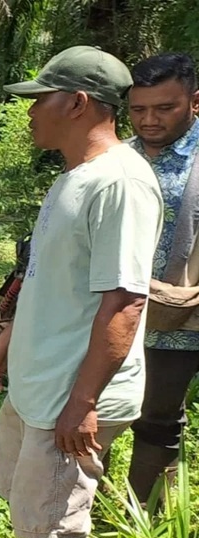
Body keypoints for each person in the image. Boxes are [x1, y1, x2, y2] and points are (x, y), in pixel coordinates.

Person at [0, 45, 162, 538]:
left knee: (57, 532)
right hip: (43, 385)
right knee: (39, 522)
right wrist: (4, 350)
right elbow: (43, 282)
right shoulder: (71, 178)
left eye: (39, 99)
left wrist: (82, 402)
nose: (30, 111)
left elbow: (124, 301)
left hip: (70, 398)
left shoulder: (119, 182)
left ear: (77, 103)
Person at [124, 52, 199, 506]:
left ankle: (144, 523)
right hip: (117, 314)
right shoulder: (119, 154)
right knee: (105, 410)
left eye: (163, 108)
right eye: (138, 109)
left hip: (183, 321)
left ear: (194, 101)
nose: (149, 120)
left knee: (159, 418)